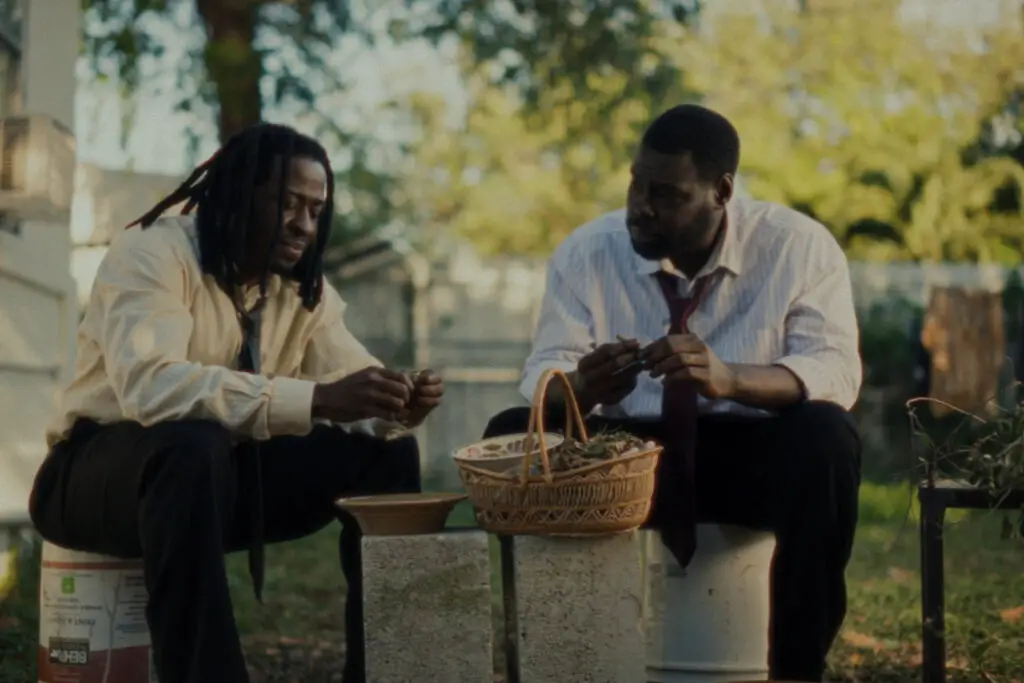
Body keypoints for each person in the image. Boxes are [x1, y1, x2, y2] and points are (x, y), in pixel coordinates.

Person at [28, 123, 443, 683]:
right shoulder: (154, 253)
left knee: (387, 457)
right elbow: (152, 387)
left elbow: (352, 385)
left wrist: (396, 402)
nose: (304, 224)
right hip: (95, 478)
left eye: (315, 210)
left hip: (214, 482)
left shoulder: (302, 291)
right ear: (240, 194)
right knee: (189, 443)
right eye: (288, 203)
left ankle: (389, 670)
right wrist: (318, 398)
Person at [484, 104, 862, 682]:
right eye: (636, 184)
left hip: (744, 454)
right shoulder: (587, 252)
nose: (641, 207)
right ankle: (556, 662)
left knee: (827, 437)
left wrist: (731, 378)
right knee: (512, 431)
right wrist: (581, 386)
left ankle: (796, 670)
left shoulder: (798, 246)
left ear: (721, 192)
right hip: (620, 462)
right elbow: (545, 373)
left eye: (666, 194)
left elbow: (834, 370)